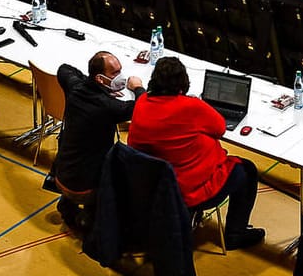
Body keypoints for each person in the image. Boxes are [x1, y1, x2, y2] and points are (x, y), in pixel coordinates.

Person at [128, 56, 266, 249]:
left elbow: (143, 96)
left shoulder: (142, 102)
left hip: (153, 186)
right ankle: (236, 233)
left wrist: (137, 87)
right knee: (248, 170)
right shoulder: (191, 106)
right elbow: (219, 128)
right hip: (189, 192)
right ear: (183, 84)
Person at [53, 51, 145, 231]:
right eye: (114, 73)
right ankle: (90, 215)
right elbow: (142, 107)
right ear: (100, 78)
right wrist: (138, 88)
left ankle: (68, 205)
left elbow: (64, 69)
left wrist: (104, 89)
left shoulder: (75, 88)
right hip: (84, 187)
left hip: (61, 173)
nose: (120, 77)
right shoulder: (109, 107)